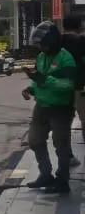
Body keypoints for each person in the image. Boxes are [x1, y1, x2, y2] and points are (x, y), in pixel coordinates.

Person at [23, 21, 76, 193]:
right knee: (35, 140)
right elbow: (39, 78)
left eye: (43, 44)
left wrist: (46, 80)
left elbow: (68, 85)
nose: (41, 48)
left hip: (60, 108)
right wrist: (31, 88)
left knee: (61, 145)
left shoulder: (65, 59)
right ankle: (45, 174)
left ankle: (62, 180)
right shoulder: (41, 57)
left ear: (51, 42)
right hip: (41, 106)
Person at [61, 13, 85, 158]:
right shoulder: (82, 41)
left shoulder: (57, 42)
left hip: (60, 87)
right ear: (79, 25)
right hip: (80, 86)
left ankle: (67, 156)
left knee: (64, 123)